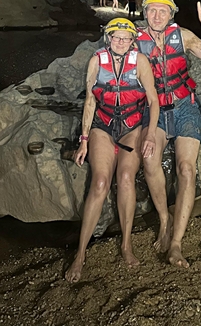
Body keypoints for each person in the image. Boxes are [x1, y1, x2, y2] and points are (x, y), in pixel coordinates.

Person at [136, 0, 201, 269]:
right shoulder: (135, 41)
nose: (157, 16)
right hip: (155, 110)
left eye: (163, 11)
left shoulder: (183, 36)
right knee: (149, 160)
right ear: (145, 13)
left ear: (171, 15)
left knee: (186, 169)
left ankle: (176, 243)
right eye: (152, 10)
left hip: (185, 106)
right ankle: (164, 219)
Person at [65, 18, 160, 283]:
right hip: (103, 126)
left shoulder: (140, 62)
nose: (120, 42)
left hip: (132, 127)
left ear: (132, 41)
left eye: (125, 38)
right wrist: (84, 140)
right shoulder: (96, 61)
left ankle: (126, 245)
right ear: (108, 38)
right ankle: (80, 254)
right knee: (100, 182)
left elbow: (153, 100)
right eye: (115, 37)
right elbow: (90, 101)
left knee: (126, 178)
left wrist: (150, 133)